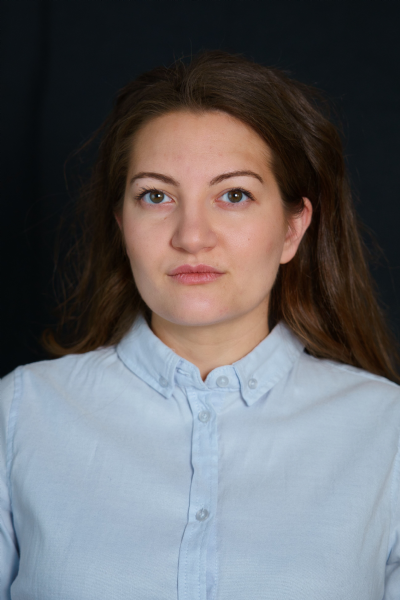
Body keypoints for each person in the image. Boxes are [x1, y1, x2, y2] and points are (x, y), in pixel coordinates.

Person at [1, 50, 399, 600]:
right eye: (156, 196)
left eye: (234, 195)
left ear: (292, 229)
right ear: (121, 225)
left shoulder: (386, 431)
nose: (191, 236)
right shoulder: (20, 415)